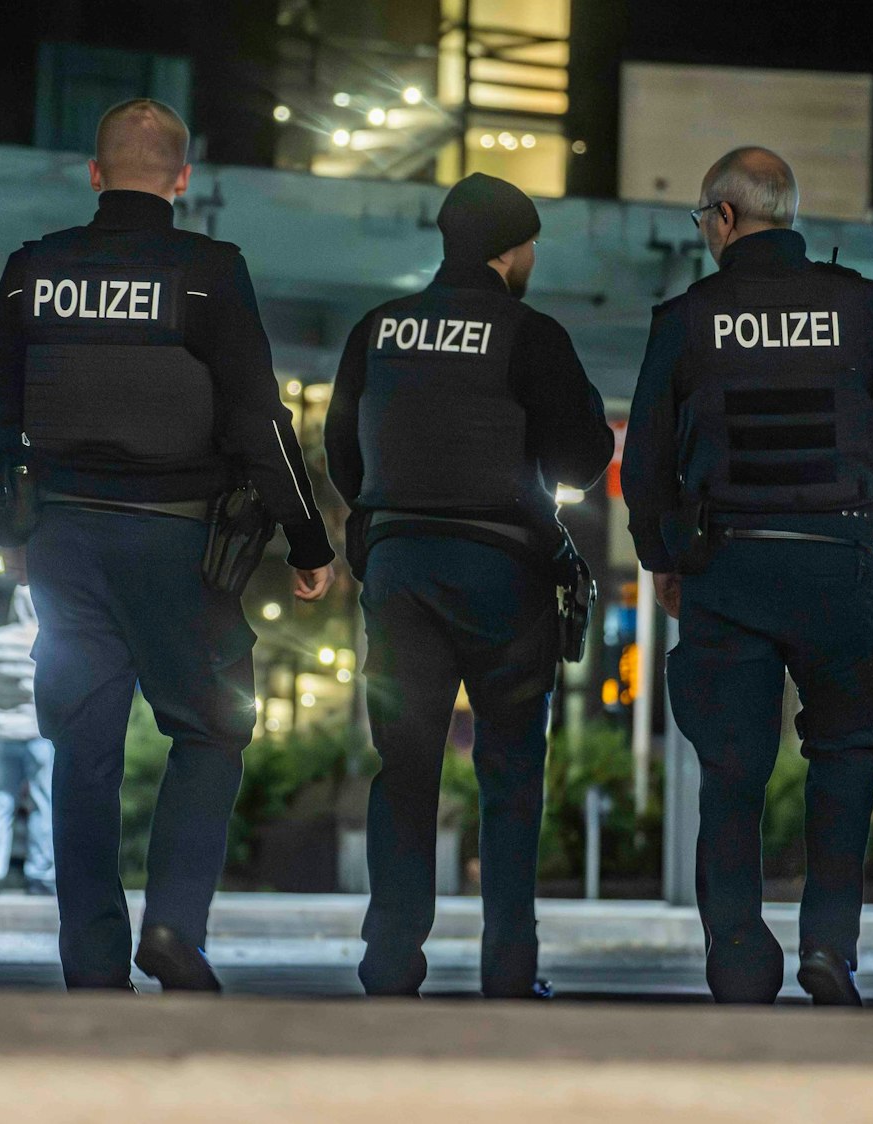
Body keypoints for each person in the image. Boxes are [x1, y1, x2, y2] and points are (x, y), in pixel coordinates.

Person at [0, 98, 335, 992]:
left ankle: (91, 959)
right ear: (183, 182)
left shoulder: (34, 269)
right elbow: (259, 419)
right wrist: (307, 540)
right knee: (213, 731)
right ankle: (174, 926)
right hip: (180, 547)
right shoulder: (209, 272)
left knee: (83, 754)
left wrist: (12, 535)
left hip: (64, 543)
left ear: (94, 175)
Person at [621, 147, 873, 1006]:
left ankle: (738, 952)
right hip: (839, 566)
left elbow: (648, 462)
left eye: (703, 221)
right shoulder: (865, 308)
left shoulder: (686, 317)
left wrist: (662, 558)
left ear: (725, 218)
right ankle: (828, 948)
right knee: (843, 756)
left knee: (731, 773)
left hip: (727, 568)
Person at [324, 173, 614, 999]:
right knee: (511, 772)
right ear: (511, 250)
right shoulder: (530, 334)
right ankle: (509, 970)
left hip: (401, 571)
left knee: (404, 768)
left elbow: (346, 454)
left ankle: (389, 961)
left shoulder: (376, 330)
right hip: (502, 573)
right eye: (530, 246)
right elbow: (583, 462)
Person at [0, 585, 54, 895]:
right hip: (41, 736)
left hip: (4, 736)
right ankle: (40, 875)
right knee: (43, 804)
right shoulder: (49, 639)